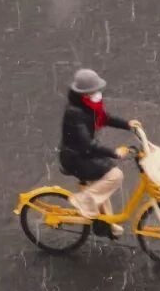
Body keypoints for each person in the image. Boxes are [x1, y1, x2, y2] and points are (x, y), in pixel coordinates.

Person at [59, 69, 140, 234]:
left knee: (101, 183)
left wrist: (127, 125)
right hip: (75, 158)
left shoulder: (88, 106)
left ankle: (104, 224)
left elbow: (105, 118)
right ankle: (83, 201)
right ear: (85, 94)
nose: (97, 93)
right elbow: (88, 145)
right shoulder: (75, 113)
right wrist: (113, 152)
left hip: (83, 155)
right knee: (114, 175)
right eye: (93, 91)